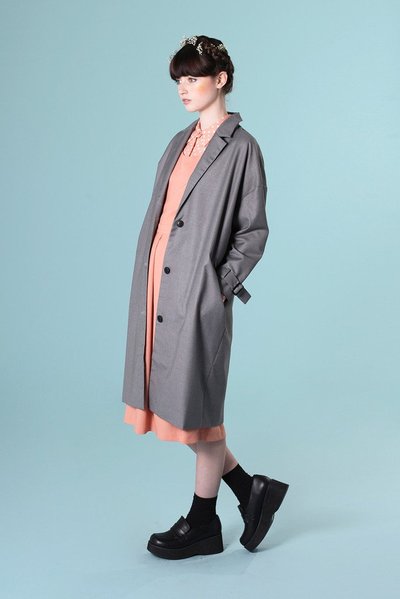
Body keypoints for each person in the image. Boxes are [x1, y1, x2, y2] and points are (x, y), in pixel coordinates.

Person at [121, 34, 289, 559]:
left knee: (198, 411)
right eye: (179, 79)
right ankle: (250, 492)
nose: (183, 88)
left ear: (221, 79)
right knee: (179, 405)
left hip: (197, 295)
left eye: (193, 78)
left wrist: (216, 287)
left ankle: (203, 522)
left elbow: (252, 231)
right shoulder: (178, 141)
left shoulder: (242, 148)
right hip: (157, 289)